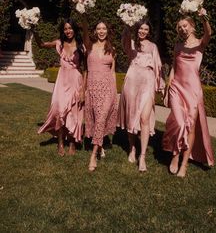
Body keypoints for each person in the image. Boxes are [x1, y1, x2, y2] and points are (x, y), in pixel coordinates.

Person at [162, 8, 214, 177]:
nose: (182, 29)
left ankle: (183, 163)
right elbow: (174, 67)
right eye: (180, 27)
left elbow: (209, 33)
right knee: (178, 122)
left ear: (192, 27)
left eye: (185, 26)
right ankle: (175, 154)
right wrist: (167, 88)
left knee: (190, 125)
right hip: (176, 87)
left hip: (192, 89)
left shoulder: (200, 43)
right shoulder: (178, 45)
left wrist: (204, 17)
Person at [34, 19, 85, 156]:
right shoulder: (59, 43)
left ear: (74, 29)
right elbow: (41, 44)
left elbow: (86, 70)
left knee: (73, 113)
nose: (68, 31)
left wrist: (82, 90)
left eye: (70, 28)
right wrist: (34, 29)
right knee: (59, 110)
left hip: (76, 81)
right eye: (65, 29)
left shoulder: (81, 46)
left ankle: (73, 143)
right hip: (62, 81)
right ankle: (61, 143)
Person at [118, 19, 164, 172]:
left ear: (149, 31)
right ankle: (132, 148)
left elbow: (158, 66)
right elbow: (124, 42)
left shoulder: (153, 46)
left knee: (145, 118)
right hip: (132, 82)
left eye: (146, 29)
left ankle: (142, 155)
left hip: (148, 83)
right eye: (141, 29)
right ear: (137, 29)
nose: (143, 31)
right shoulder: (131, 44)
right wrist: (127, 25)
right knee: (132, 116)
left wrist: (161, 84)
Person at [82, 18, 118, 171]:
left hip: (108, 88)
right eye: (99, 29)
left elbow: (113, 71)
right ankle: (100, 145)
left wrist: (115, 91)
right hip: (92, 86)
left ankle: (93, 155)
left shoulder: (112, 49)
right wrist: (83, 13)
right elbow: (85, 70)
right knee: (97, 118)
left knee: (102, 116)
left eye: (104, 28)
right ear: (95, 31)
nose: (102, 31)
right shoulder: (88, 47)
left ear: (107, 31)